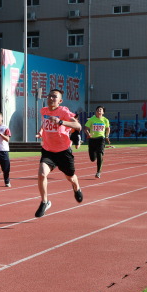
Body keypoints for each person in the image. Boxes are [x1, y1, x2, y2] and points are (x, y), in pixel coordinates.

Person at [34, 89, 83, 217]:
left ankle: (76, 187)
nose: (51, 98)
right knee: (41, 174)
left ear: (60, 101)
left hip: (63, 152)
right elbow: (45, 122)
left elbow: (78, 126)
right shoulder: (43, 110)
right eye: (49, 96)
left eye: (54, 97)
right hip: (48, 151)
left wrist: (61, 122)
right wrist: (41, 132)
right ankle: (44, 201)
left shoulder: (63, 112)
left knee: (70, 177)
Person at [83, 105, 110, 178]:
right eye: (98, 109)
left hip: (101, 139)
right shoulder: (91, 119)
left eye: (100, 109)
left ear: (103, 112)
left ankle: (98, 172)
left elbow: (108, 128)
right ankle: (96, 153)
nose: (99, 110)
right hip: (92, 140)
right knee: (92, 159)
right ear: (96, 111)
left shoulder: (105, 120)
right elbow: (86, 129)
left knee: (99, 154)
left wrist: (107, 136)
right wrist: (88, 134)